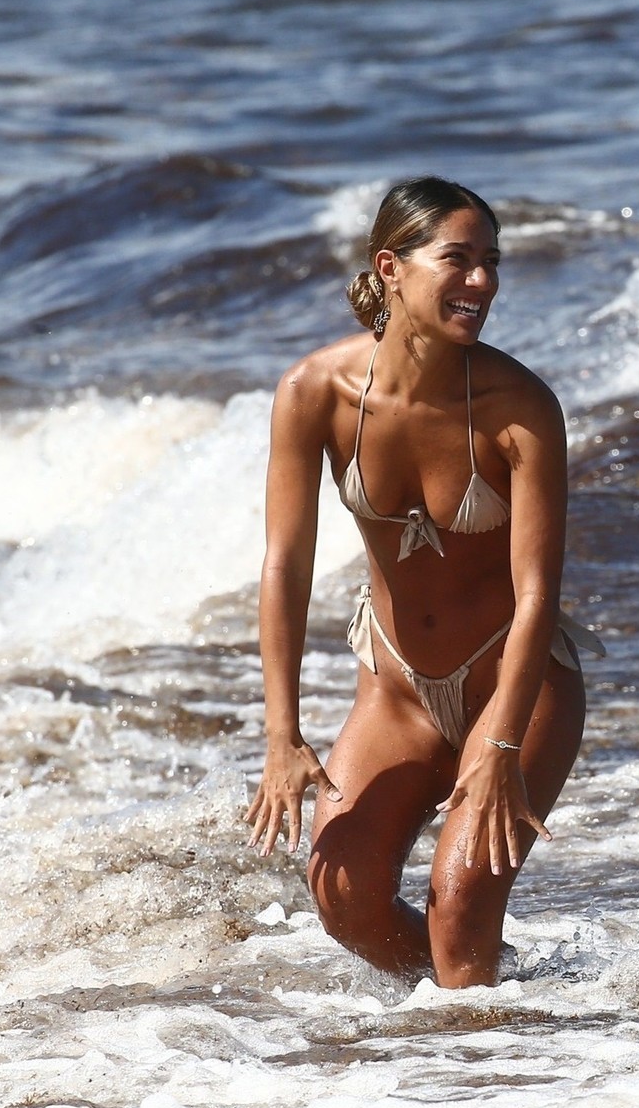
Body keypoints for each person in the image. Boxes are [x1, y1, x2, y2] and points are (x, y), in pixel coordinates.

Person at [245, 176, 601, 988]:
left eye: (492, 261)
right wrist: (281, 735)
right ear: (391, 267)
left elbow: (538, 593)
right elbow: (285, 566)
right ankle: (492, 1016)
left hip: (515, 683)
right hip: (397, 688)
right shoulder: (314, 393)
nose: (482, 281)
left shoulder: (520, 407)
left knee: (461, 908)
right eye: (458, 259)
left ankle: (483, 1032)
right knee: (343, 895)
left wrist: (501, 744)